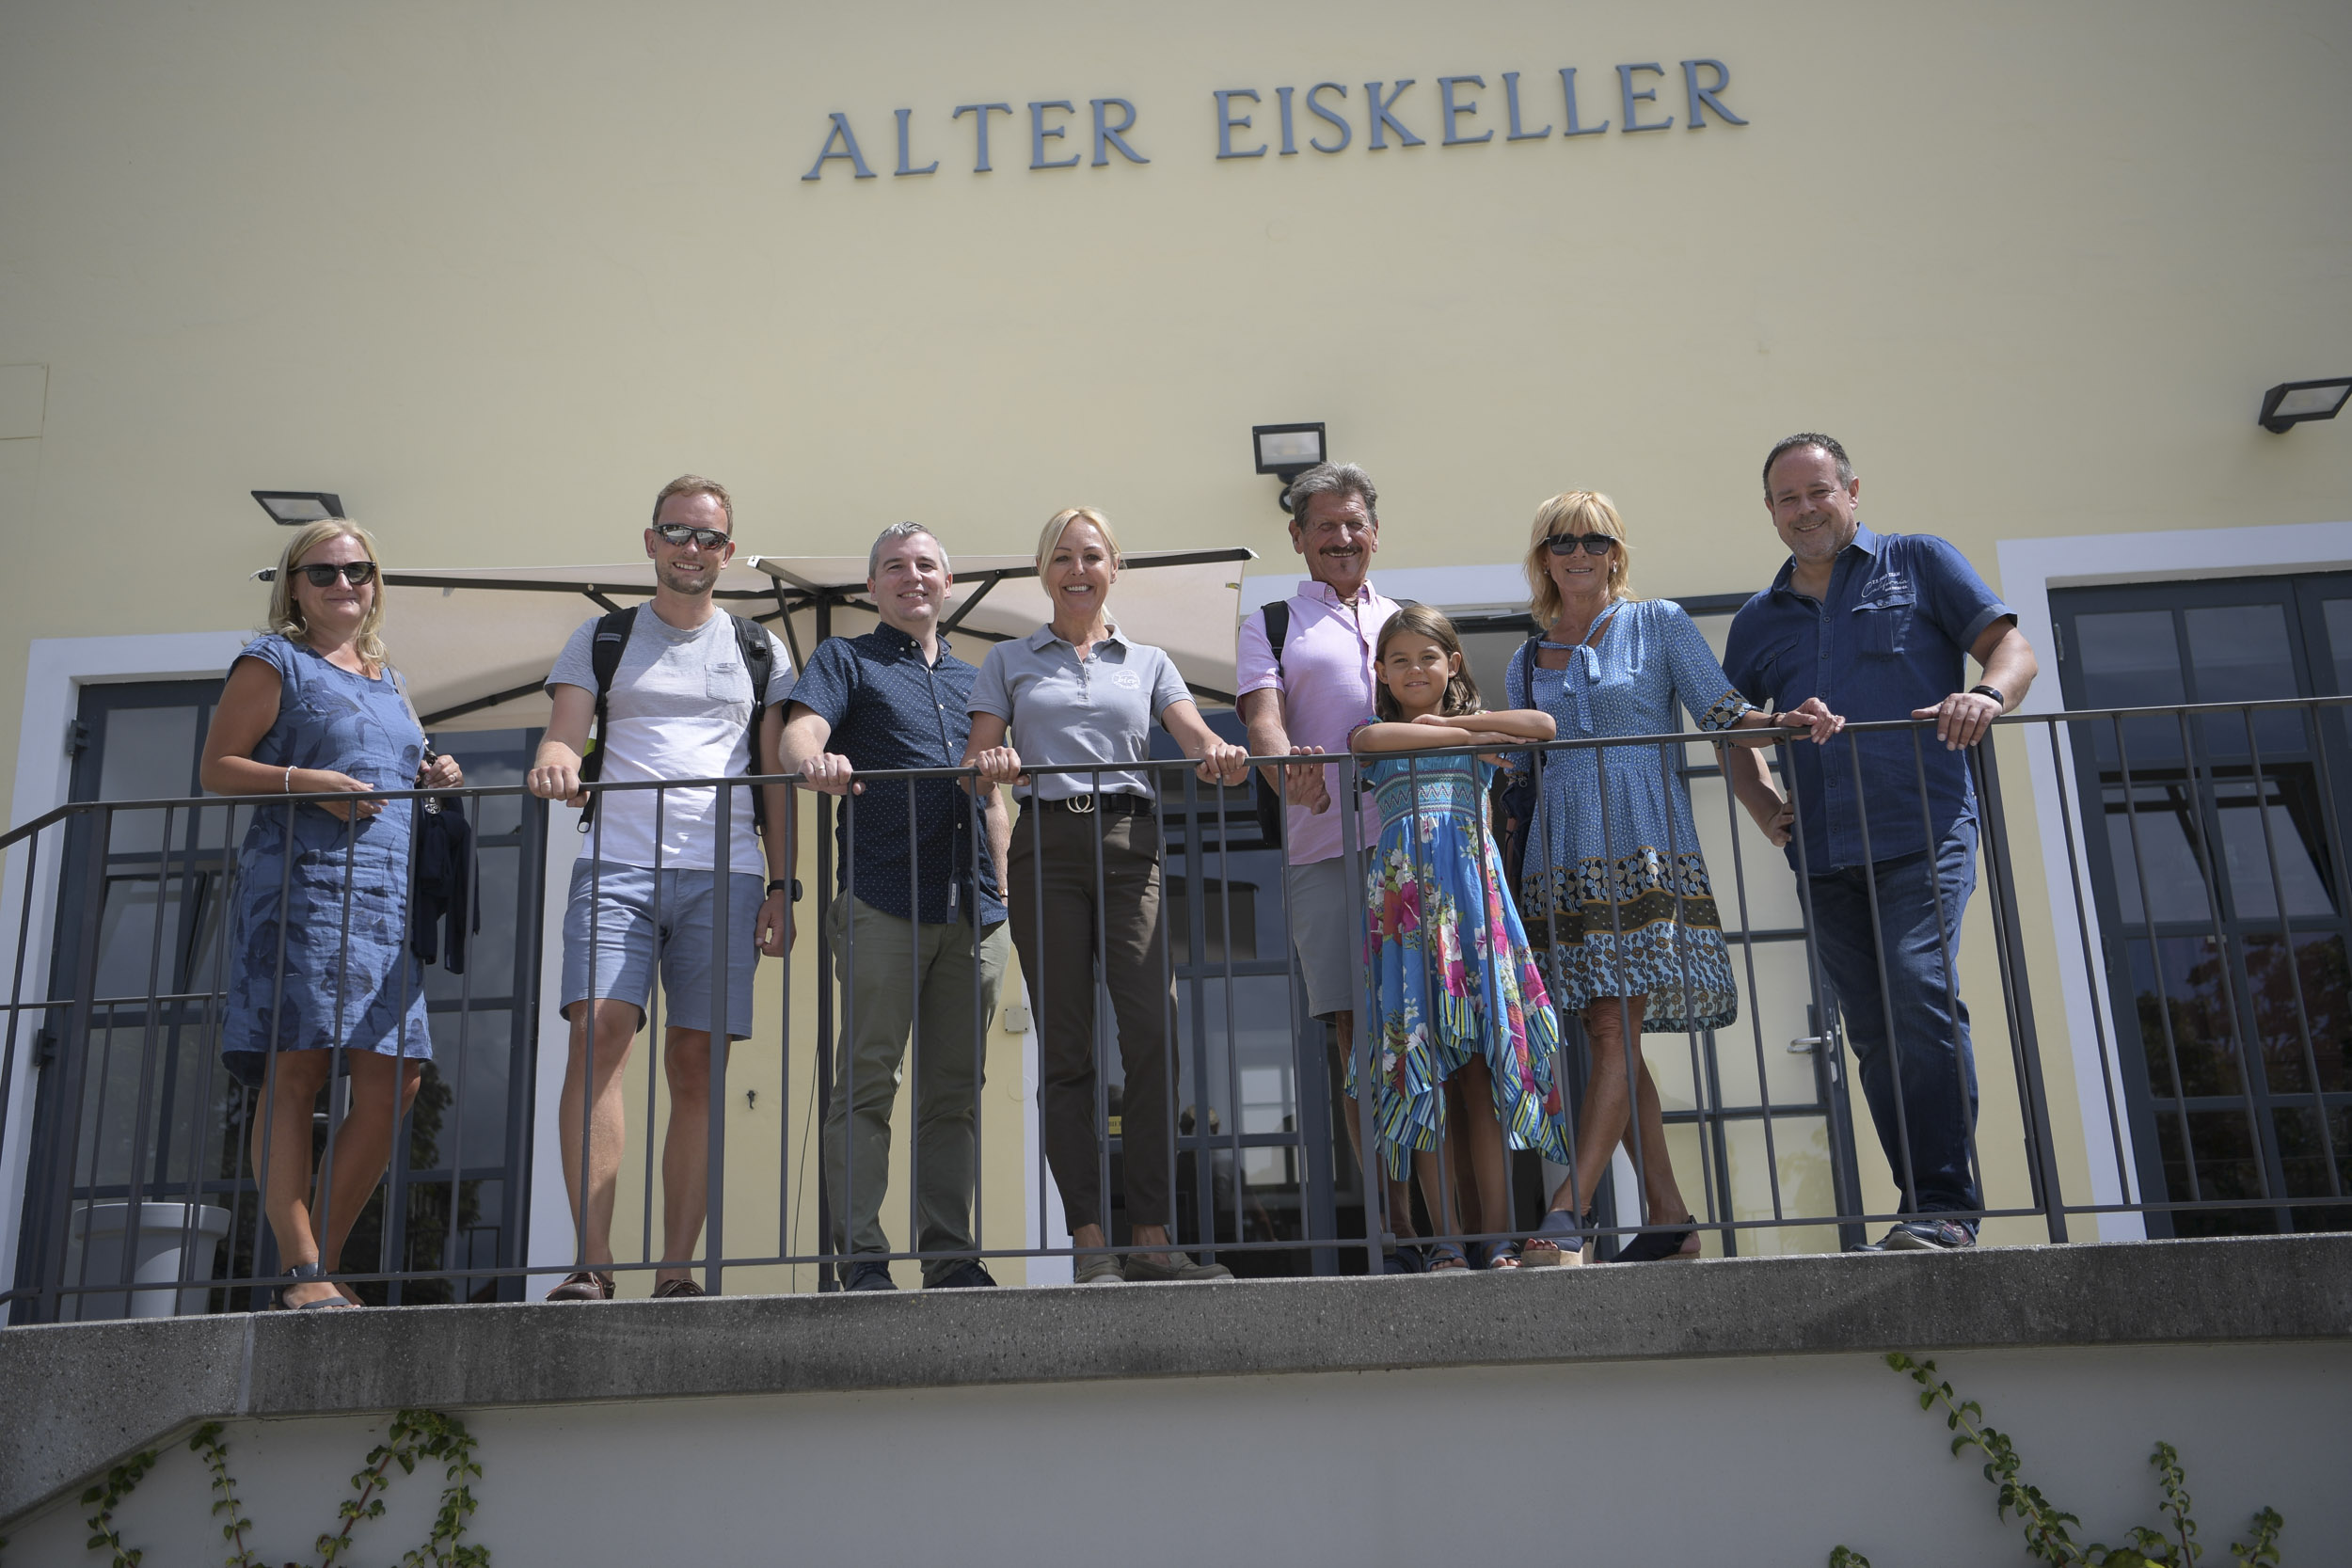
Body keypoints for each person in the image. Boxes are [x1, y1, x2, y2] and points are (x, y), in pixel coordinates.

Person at [1502, 493, 1841, 1265]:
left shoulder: (1658, 623)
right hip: (1561, 860)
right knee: (1601, 1031)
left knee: (1618, 1025)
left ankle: (1568, 1212)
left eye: (1594, 538)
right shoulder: (1526, 659)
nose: (1578, 552)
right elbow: (1523, 766)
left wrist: (1786, 721)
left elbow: (1722, 714)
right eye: (1562, 540)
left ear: (1615, 551)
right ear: (1544, 557)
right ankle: (1670, 1216)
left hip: (1645, 844)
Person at [1722, 433, 2039, 1252]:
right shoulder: (1759, 620)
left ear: (1852, 491)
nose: (1805, 510)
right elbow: (1733, 730)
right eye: (1787, 499)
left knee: (1917, 987)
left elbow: (2013, 648)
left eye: (1818, 492)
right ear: (1770, 512)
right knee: (1869, 1026)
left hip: (1925, 826)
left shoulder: (1920, 561)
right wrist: (1763, 805)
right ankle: (1920, 1206)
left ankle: (1946, 1204)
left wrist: (1989, 698)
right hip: (1823, 847)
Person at [527, 474, 797, 1300]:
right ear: (649, 542)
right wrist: (555, 762)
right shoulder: (602, 638)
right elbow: (564, 736)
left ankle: (678, 1269)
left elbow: (774, 776)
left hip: (728, 873)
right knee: (599, 1035)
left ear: (728, 551)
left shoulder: (760, 648)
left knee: (696, 1064)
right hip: (617, 863)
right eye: (676, 533)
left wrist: (783, 885)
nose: (691, 549)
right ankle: (592, 1262)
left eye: (708, 537)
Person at [964, 506, 1251, 1284]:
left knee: (1154, 1035)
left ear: (1114, 567)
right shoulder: (1009, 659)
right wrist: (992, 762)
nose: (1078, 568)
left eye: (1092, 555)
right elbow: (976, 756)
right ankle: (1091, 1241)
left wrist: (1217, 751)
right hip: (1045, 846)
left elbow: (1192, 733)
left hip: (1132, 847)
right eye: (1063, 556)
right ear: (1043, 570)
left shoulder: (1150, 659)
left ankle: (1152, 1237)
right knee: (1065, 1048)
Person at [201, 519, 464, 1309]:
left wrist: (432, 772)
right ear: (293, 586)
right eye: (324, 573)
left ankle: (315, 1258)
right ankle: (301, 1268)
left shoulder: (389, 676)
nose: (344, 585)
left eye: (359, 570)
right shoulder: (272, 660)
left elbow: (385, 767)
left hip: (385, 898)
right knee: (298, 1071)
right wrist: (306, 781)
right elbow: (217, 767)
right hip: (303, 890)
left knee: (398, 1083)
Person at [781, 521, 1011, 1292]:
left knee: (954, 1093)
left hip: (974, 907)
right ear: (871, 587)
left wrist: (1005, 891)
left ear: (946, 583)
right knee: (867, 1083)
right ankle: (864, 1256)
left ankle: (950, 1255)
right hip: (883, 897)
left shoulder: (980, 679)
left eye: (924, 565)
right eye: (892, 567)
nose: (910, 577)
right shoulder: (845, 657)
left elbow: (993, 798)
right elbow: (800, 727)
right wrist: (812, 759)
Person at [1233, 460, 1422, 1267]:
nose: (1341, 538)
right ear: (1298, 537)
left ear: (1374, 531)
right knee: (1356, 1035)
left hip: (1417, 844)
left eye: (1354, 523)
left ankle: (1445, 1220)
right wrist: (1284, 772)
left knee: (1429, 1034)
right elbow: (1263, 719)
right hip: (1322, 849)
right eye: (1325, 525)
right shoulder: (1271, 621)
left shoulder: (1410, 620)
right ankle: (1395, 1220)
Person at [1349, 604, 1569, 1270]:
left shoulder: (1462, 723)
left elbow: (1544, 726)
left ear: (1453, 664)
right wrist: (1464, 739)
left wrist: (1452, 725)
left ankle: (1497, 1239)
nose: (1415, 669)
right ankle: (1445, 1242)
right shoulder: (1370, 731)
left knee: (1480, 1078)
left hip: (1474, 913)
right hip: (1410, 920)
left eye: (1428, 657)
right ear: (1381, 673)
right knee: (1426, 1080)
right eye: (1399, 660)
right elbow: (1372, 744)